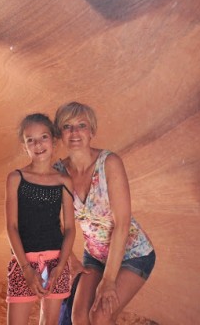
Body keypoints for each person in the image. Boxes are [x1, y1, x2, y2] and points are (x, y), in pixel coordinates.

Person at [53, 102, 156, 325]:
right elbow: (53, 223)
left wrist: (109, 280)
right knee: (79, 318)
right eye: (67, 126)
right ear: (59, 133)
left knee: (100, 316)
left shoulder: (109, 163)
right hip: (95, 255)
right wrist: (69, 258)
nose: (74, 132)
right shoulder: (58, 172)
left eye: (81, 125)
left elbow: (122, 223)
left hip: (132, 252)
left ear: (92, 131)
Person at [5, 113, 77, 325]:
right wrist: (26, 269)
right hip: (23, 262)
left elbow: (70, 228)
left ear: (53, 140)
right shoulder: (16, 178)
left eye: (43, 137)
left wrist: (61, 266)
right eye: (30, 140)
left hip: (56, 262)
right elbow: (11, 226)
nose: (38, 144)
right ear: (24, 146)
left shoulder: (64, 181)